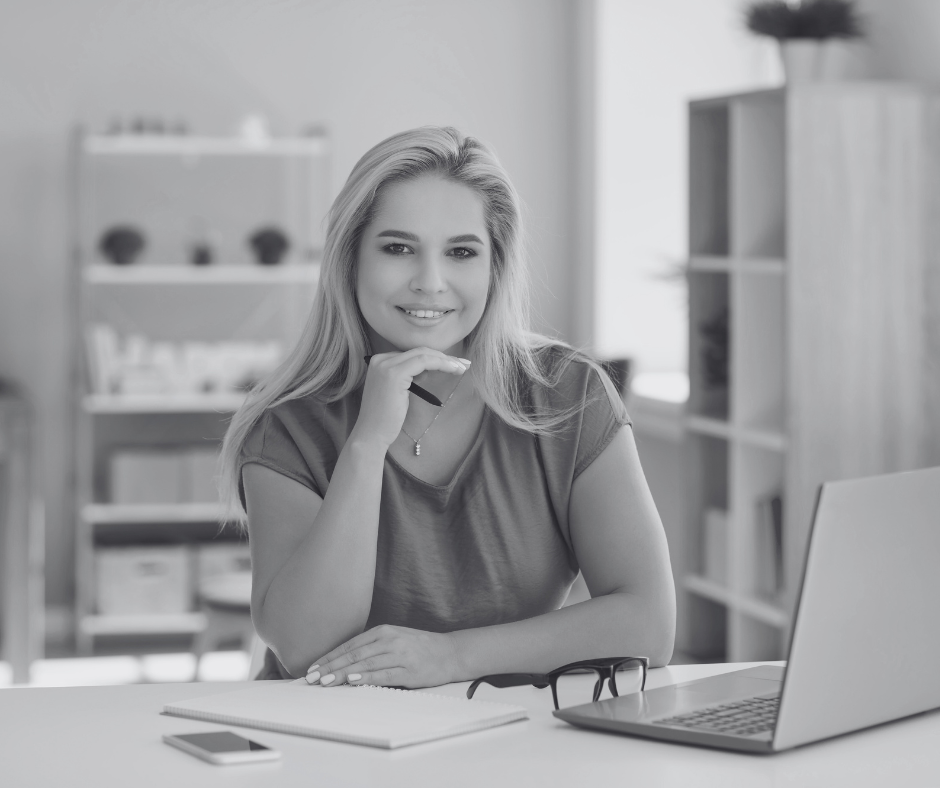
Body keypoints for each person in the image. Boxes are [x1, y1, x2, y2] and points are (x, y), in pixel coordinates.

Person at [218, 126, 676, 686]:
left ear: (495, 267)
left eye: (461, 252)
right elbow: (306, 647)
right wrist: (366, 445)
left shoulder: (567, 393)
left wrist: (451, 657)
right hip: (331, 745)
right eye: (397, 248)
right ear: (350, 260)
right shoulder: (288, 424)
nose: (430, 282)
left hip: (512, 735)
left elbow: (649, 626)